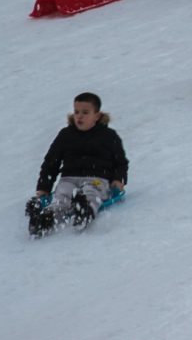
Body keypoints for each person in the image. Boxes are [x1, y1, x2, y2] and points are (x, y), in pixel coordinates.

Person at [25, 92, 129, 237]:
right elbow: (51, 162)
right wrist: (44, 188)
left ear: (97, 116)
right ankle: (44, 220)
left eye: (85, 113)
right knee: (62, 197)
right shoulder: (66, 135)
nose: (79, 116)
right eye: (76, 112)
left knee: (91, 192)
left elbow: (120, 161)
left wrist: (118, 179)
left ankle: (84, 211)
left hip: (97, 177)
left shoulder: (109, 136)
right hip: (69, 177)